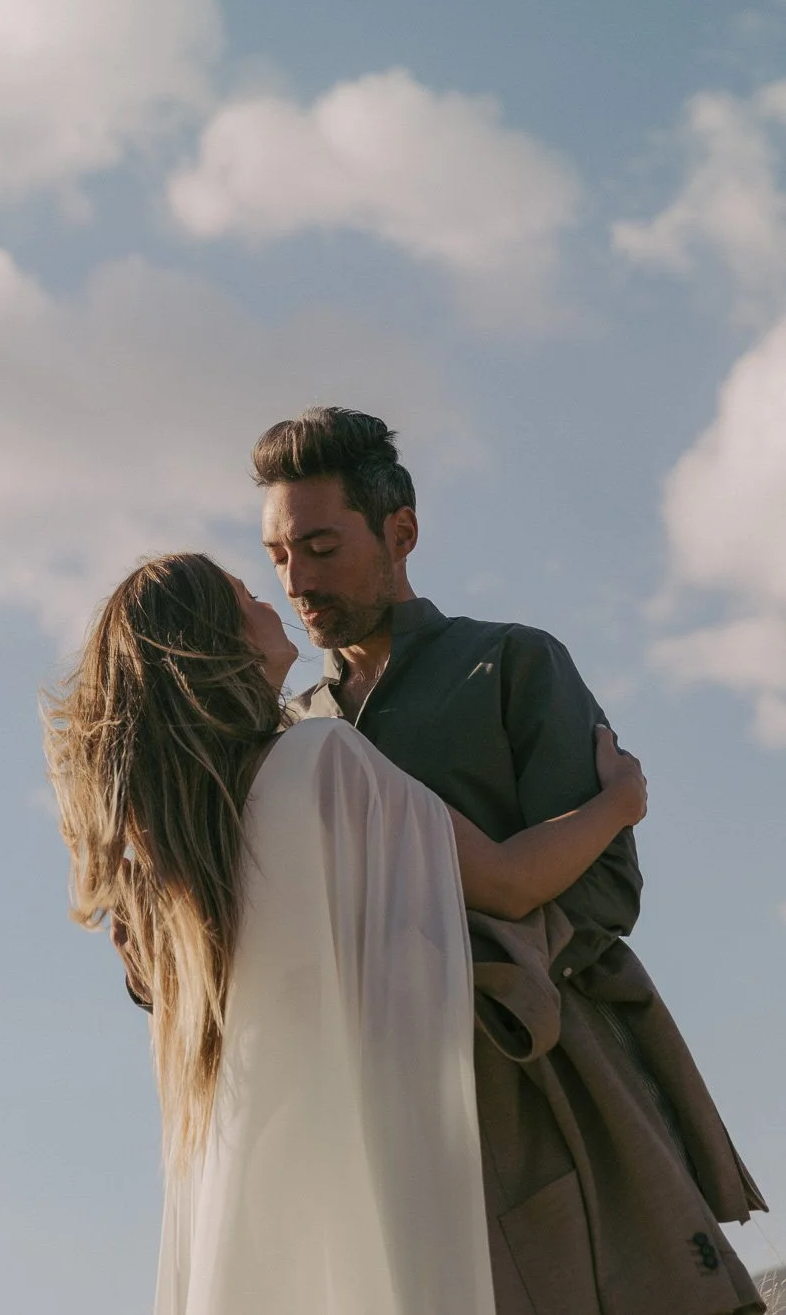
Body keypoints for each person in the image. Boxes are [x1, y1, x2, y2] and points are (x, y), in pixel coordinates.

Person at [249, 406, 767, 1315]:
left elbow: (608, 889)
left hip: (547, 1087)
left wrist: (459, 979)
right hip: (368, 1119)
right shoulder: (293, 732)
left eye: (322, 547)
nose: (299, 580)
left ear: (399, 532)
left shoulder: (511, 664)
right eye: (280, 556)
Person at [44, 552, 651, 1315]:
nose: (274, 600)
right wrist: (621, 802)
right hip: (376, 1148)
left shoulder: (179, 850)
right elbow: (510, 880)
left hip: (252, 1177)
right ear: (219, 641)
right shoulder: (321, 759)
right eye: (245, 594)